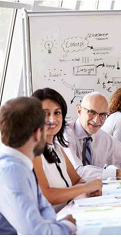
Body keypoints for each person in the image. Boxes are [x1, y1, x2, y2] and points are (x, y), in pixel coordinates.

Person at [0, 97, 76, 234]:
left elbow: (45, 212)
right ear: (37, 133)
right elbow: (37, 233)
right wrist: (67, 225)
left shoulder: (21, 164)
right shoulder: (11, 171)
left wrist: (58, 226)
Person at [32, 88, 103, 212]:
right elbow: (47, 196)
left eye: (57, 113)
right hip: (48, 225)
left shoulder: (56, 147)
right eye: (45, 113)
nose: (52, 119)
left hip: (67, 214)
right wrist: (85, 188)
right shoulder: (32, 151)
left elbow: (76, 180)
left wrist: (88, 191)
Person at [63, 92, 121, 181]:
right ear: (79, 111)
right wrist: (119, 173)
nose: (96, 120)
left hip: (95, 191)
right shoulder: (65, 135)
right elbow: (77, 171)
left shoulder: (103, 137)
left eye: (102, 115)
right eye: (92, 112)